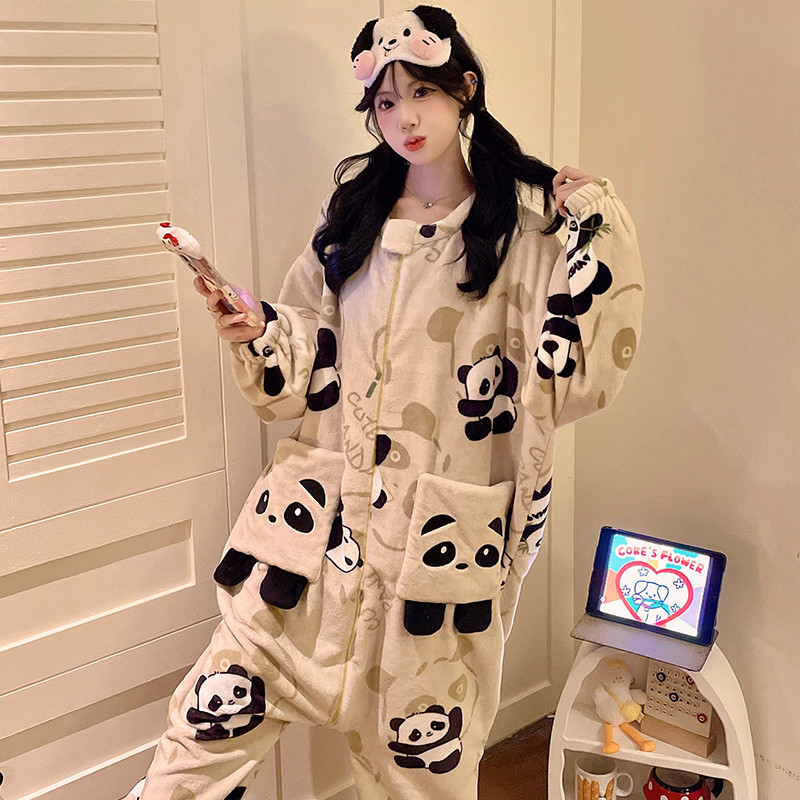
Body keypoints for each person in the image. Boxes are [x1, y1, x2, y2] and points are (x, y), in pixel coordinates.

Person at [129, 5, 643, 800]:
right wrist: (259, 330)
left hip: (434, 559)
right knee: (195, 747)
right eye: (386, 101)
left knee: (416, 779)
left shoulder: (520, 234)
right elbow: (311, 351)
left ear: (464, 89)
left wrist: (597, 220)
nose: (404, 118)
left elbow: (577, 371)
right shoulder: (352, 216)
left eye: (422, 94)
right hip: (311, 544)